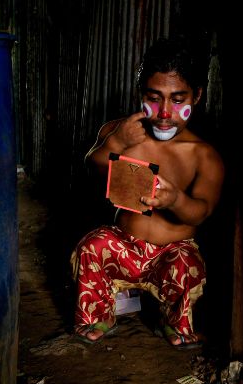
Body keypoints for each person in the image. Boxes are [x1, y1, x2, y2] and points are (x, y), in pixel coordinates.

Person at [71, 37, 225, 349]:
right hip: (126, 249)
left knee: (187, 263)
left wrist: (176, 200)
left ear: (196, 96)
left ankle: (173, 320)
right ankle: (100, 314)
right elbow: (93, 165)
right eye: (154, 98)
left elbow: (203, 210)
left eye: (177, 100)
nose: (165, 112)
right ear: (140, 94)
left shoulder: (203, 155)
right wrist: (116, 143)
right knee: (93, 245)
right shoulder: (123, 132)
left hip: (169, 256)